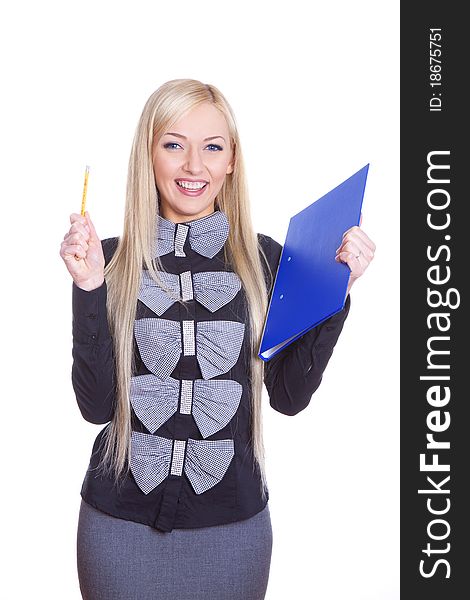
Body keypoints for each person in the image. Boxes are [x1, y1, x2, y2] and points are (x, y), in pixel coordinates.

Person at [59, 79, 375, 600]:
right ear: (149, 155)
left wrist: (336, 294)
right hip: (118, 528)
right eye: (173, 144)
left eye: (212, 147)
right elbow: (96, 408)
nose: (193, 166)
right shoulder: (107, 259)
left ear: (232, 160)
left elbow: (290, 398)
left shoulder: (268, 260)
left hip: (233, 534)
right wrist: (90, 287)